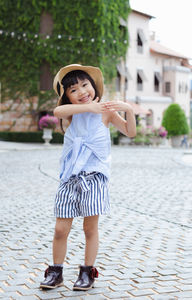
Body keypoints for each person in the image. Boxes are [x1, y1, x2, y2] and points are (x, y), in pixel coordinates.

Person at [40, 64, 136, 291]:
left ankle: (87, 272)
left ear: (93, 87)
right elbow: (57, 112)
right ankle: (56, 272)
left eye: (85, 85)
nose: (82, 92)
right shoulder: (71, 114)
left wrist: (128, 110)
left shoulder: (107, 112)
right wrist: (88, 108)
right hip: (69, 179)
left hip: (94, 178)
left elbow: (130, 132)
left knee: (90, 229)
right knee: (60, 229)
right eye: (73, 90)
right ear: (67, 96)